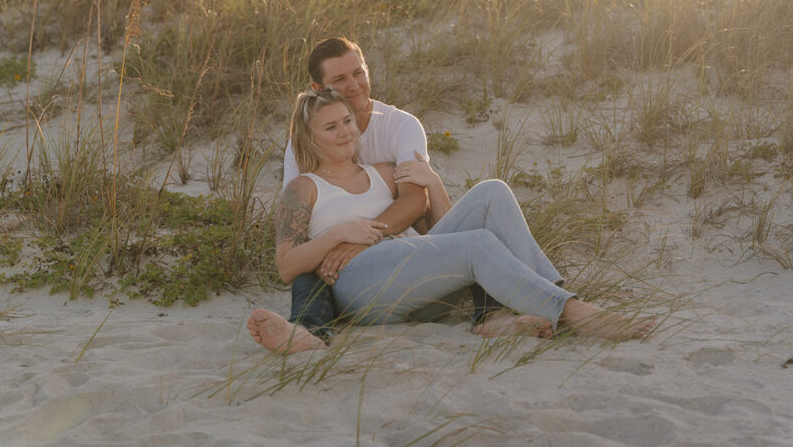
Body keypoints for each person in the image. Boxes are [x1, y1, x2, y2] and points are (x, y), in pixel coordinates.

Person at [247, 87, 655, 354]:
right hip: (359, 287)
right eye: (330, 127)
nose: (344, 133)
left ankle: (511, 309)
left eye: (347, 122)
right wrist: (339, 234)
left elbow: (434, 233)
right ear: (310, 137)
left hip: (413, 278)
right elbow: (287, 265)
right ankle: (573, 313)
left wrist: (434, 186)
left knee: (492, 192)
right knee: (475, 244)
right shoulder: (302, 188)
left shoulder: (384, 173)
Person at [277, 37, 449, 345]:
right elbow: (299, 230)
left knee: (487, 204)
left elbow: (414, 201)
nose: (354, 85)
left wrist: (362, 241)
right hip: (339, 267)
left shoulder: (399, 126)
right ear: (319, 89)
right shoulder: (302, 144)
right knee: (310, 269)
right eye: (340, 79)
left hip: (396, 249)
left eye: (358, 72)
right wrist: (340, 240)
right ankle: (306, 332)